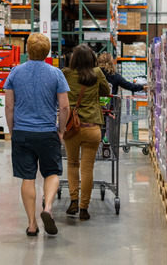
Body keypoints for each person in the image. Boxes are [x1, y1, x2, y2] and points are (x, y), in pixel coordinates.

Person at [5, 33, 70, 236]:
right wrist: (61, 130)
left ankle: (32, 224)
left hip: (22, 132)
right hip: (47, 132)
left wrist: (12, 130)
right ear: (48, 51)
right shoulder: (56, 73)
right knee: (51, 173)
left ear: (27, 50)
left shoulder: (15, 72)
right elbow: (64, 107)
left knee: (28, 177)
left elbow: (9, 106)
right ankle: (48, 207)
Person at [62, 45, 111, 221]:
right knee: (87, 169)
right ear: (92, 59)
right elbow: (106, 92)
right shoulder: (97, 73)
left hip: (72, 128)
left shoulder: (66, 74)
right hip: (92, 128)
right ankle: (84, 208)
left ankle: (73, 200)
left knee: (72, 164)